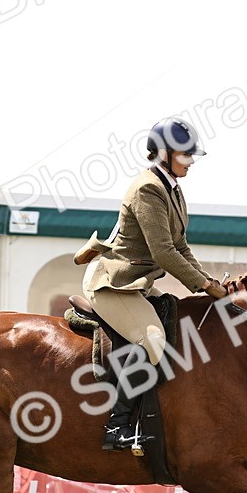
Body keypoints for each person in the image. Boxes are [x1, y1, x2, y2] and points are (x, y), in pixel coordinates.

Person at [77, 117, 227, 451]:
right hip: (114, 283)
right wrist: (203, 286)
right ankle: (116, 427)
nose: (190, 161)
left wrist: (207, 281)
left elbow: (181, 246)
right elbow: (163, 252)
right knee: (153, 341)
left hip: (137, 283)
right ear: (163, 153)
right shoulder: (148, 188)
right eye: (185, 155)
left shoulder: (173, 189)